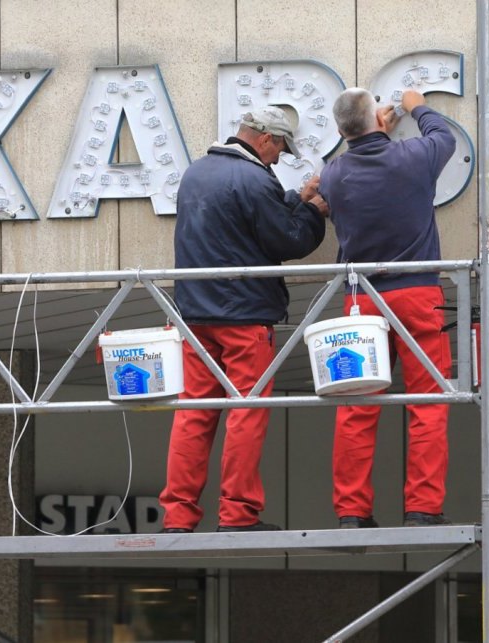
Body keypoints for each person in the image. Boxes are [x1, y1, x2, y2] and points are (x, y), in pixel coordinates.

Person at [160, 106, 328, 533]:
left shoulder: (196, 173)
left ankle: (177, 516)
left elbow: (241, 223)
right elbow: (285, 239)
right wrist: (312, 212)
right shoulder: (254, 178)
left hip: (196, 316)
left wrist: (293, 199)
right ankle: (237, 514)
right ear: (266, 139)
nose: (278, 159)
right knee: (246, 412)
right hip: (245, 316)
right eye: (279, 150)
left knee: (194, 413)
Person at [319, 88, 456, 528]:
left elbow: (352, 156)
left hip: (360, 301)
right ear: (379, 120)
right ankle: (422, 509)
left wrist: (371, 131)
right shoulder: (413, 157)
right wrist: (415, 105)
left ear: (341, 131)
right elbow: (444, 136)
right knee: (426, 405)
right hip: (417, 295)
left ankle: (351, 513)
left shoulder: (333, 175)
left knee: (357, 407)